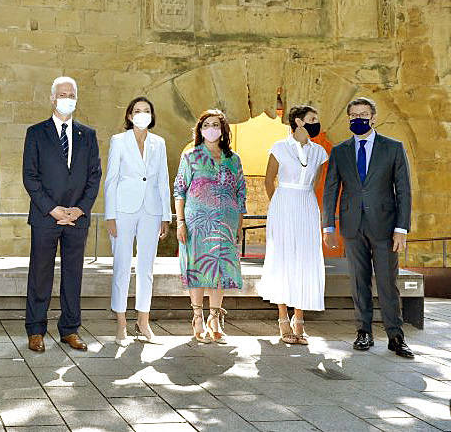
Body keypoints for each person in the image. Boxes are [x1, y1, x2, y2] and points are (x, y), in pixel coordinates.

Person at [322, 97, 414, 358]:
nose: (358, 119)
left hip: (385, 227)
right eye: (353, 115)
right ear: (348, 119)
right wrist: (328, 225)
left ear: (373, 117)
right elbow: (331, 190)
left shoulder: (393, 148)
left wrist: (402, 228)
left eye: (363, 114)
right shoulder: (340, 151)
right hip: (352, 226)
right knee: (358, 282)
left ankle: (395, 336)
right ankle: (363, 332)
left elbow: (404, 191)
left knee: (387, 282)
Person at [23, 77, 102, 353]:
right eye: (62, 94)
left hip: (77, 218)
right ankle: (35, 330)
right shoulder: (36, 133)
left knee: (73, 275)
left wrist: (80, 208)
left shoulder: (88, 135)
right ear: (52, 98)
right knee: (40, 274)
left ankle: (70, 329)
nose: (67, 98)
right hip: (46, 216)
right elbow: (30, 177)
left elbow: (94, 176)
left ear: (77, 98)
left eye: (71, 94)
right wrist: (52, 208)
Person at [257, 105, 328, 344]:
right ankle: (282, 317)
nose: (316, 122)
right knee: (284, 257)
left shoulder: (319, 152)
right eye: (312, 119)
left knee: (306, 258)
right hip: (283, 204)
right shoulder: (279, 147)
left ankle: (300, 318)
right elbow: (269, 180)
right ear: (298, 122)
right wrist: (278, 205)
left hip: (307, 205)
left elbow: (316, 182)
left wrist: (303, 199)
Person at [174, 109, 246, 344]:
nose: (210, 129)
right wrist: (181, 222)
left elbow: (241, 193)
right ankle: (197, 317)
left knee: (220, 269)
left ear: (223, 129)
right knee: (198, 268)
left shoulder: (233, 159)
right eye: (206, 125)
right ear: (200, 130)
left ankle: (214, 319)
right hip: (197, 224)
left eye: (215, 124)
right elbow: (179, 191)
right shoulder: (190, 157)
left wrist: (239, 225)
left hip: (226, 223)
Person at [103, 97, 171, 344]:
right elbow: (111, 179)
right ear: (130, 116)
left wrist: (166, 215)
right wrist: (110, 215)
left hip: (151, 210)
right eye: (138, 111)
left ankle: (143, 322)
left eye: (147, 111)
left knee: (146, 268)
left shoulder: (159, 143)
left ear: (152, 116)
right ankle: (121, 323)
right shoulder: (119, 141)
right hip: (123, 210)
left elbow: (163, 179)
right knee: (122, 265)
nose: (142, 114)